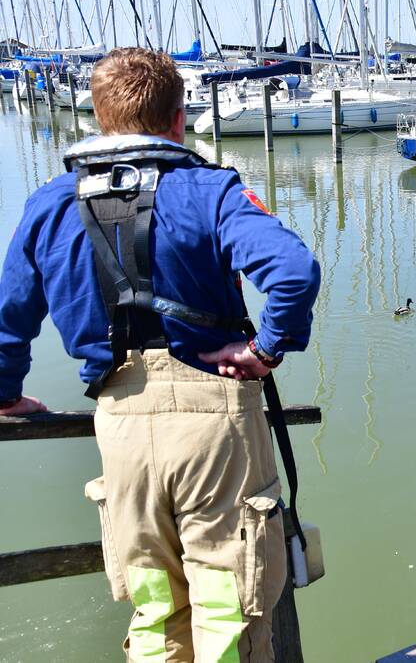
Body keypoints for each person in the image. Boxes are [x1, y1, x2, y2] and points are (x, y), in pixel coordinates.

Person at [0, 48, 320, 661]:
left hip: (120, 422)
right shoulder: (211, 191)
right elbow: (293, 271)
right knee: (228, 606)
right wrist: (264, 349)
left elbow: (9, 315)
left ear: (99, 116)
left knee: (154, 605)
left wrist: (6, 394)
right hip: (215, 424)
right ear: (178, 119)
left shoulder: (48, 204)